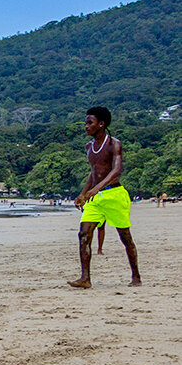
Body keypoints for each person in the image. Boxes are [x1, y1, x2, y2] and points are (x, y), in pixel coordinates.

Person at [68, 107, 141, 288]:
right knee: (84, 234)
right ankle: (85, 278)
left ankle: (136, 276)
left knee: (125, 237)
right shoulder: (88, 147)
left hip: (115, 194)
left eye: (90, 123)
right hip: (96, 198)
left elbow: (116, 171)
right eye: (86, 123)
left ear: (101, 124)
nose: (86, 126)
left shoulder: (114, 144)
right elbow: (93, 174)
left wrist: (97, 188)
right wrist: (84, 193)